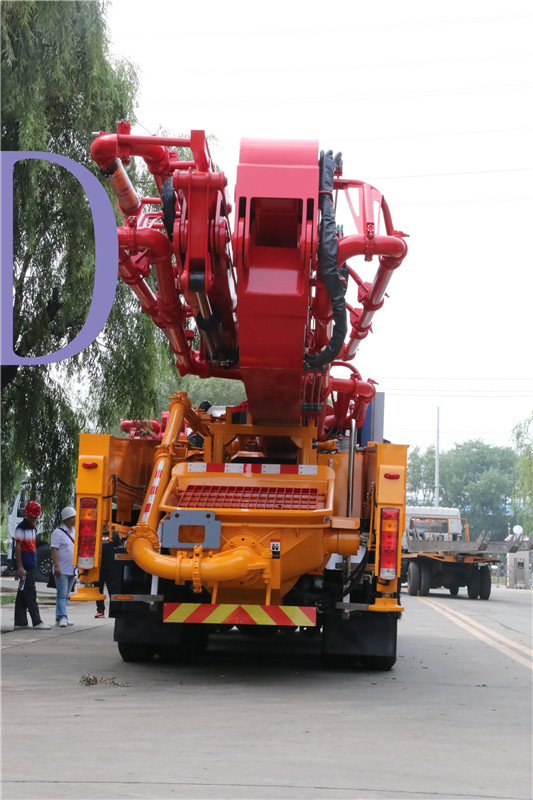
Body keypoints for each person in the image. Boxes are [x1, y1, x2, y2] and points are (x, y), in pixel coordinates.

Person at [14, 501, 51, 630]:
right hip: (25, 566)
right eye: (33, 516)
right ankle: (37, 621)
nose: (34, 518)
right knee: (30, 593)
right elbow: (17, 547)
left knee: (22, 594)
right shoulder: (21, 528)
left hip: (30, 565)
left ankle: (20, 621)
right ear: (28, 515)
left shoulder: (31, 528)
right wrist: (20, 567)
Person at [50, 506, 77, 627]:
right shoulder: (58, 533)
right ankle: (62, 617)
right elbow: (54, 550)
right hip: (61, 569)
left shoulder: (74, 532)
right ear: (67, 519)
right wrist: (56, 566)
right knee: (61, 594)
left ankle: (60, 616)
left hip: (72, 569)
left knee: (65, 594)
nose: (75, 520)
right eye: (73, 518)